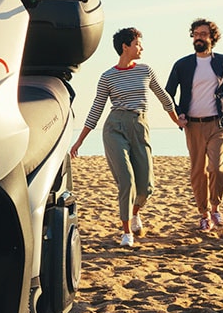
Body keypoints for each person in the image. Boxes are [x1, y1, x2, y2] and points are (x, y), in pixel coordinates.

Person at [71, 27, 178, 248]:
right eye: (138, 43)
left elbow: (163, 97)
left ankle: (135, 213)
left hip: (140, 126)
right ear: (125, 47)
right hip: (114, 128)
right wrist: (79, 140)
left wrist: (177, 121)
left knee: (146, 186)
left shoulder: (145, 71)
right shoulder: (107, 77)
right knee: (127, 181)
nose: (141, 48)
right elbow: (96, 109)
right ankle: (126, 231)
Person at [165, 18, 223, 231]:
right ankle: (204, 213)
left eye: (203, 34)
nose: (198, 37)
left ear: (212, 38)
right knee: (198, 171)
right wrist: (178, 114)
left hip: (219, 123)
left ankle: (216, 208)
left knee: (217, 168)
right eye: (196, 34)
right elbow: (168, 93)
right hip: (193, 125)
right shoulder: (182, 64)